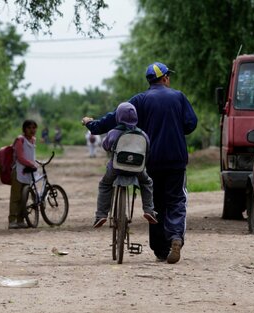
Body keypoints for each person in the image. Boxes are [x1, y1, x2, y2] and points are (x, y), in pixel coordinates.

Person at [82, 62, 198, 264]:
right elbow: (190, 124)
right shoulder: (178, 97)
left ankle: (161, 250)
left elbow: (115, 118)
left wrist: (92, 125)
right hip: (176, 159)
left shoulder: (140, 100)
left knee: (156, 202)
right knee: (176, 200)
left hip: (151, 159)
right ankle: (176, 238)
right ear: (165, 78)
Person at [92, 102, 158, 228]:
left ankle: (101, 215)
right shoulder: (142, 134)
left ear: (118, 116)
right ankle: (149, 210)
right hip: (137, 169)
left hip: (116, 168)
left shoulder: (113, 132)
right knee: (147, 182)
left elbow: (105, 146)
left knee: (105, 184)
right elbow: (148, 150)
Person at [9, 119, 38, 229]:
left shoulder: (33, 140)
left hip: (28, 172)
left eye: (34, 128)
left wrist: (34, 163)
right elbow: (20, 158)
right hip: (19, 171)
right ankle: (12, 221)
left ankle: (20, 220)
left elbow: (31, 155)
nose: (32, 130)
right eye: (29, 128)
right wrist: (31, 164)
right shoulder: (20, 140)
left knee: (24, 198)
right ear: (24, 129)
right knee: (15, 197)